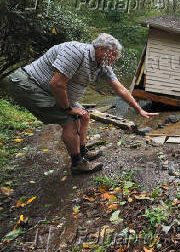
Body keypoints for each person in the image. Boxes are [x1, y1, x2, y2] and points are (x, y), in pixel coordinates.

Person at [5, 33, 158, 174]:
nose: (115, 60)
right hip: (28, 84)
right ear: (101, 49)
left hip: (48, 90)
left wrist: (138, 109)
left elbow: (120, 88)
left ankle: (82, 151)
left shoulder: (102, 64)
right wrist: (68, 108)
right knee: (70, 119)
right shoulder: (76, 52)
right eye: (113, 55)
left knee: (84, 115)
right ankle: (77, 164)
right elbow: (57, 84)